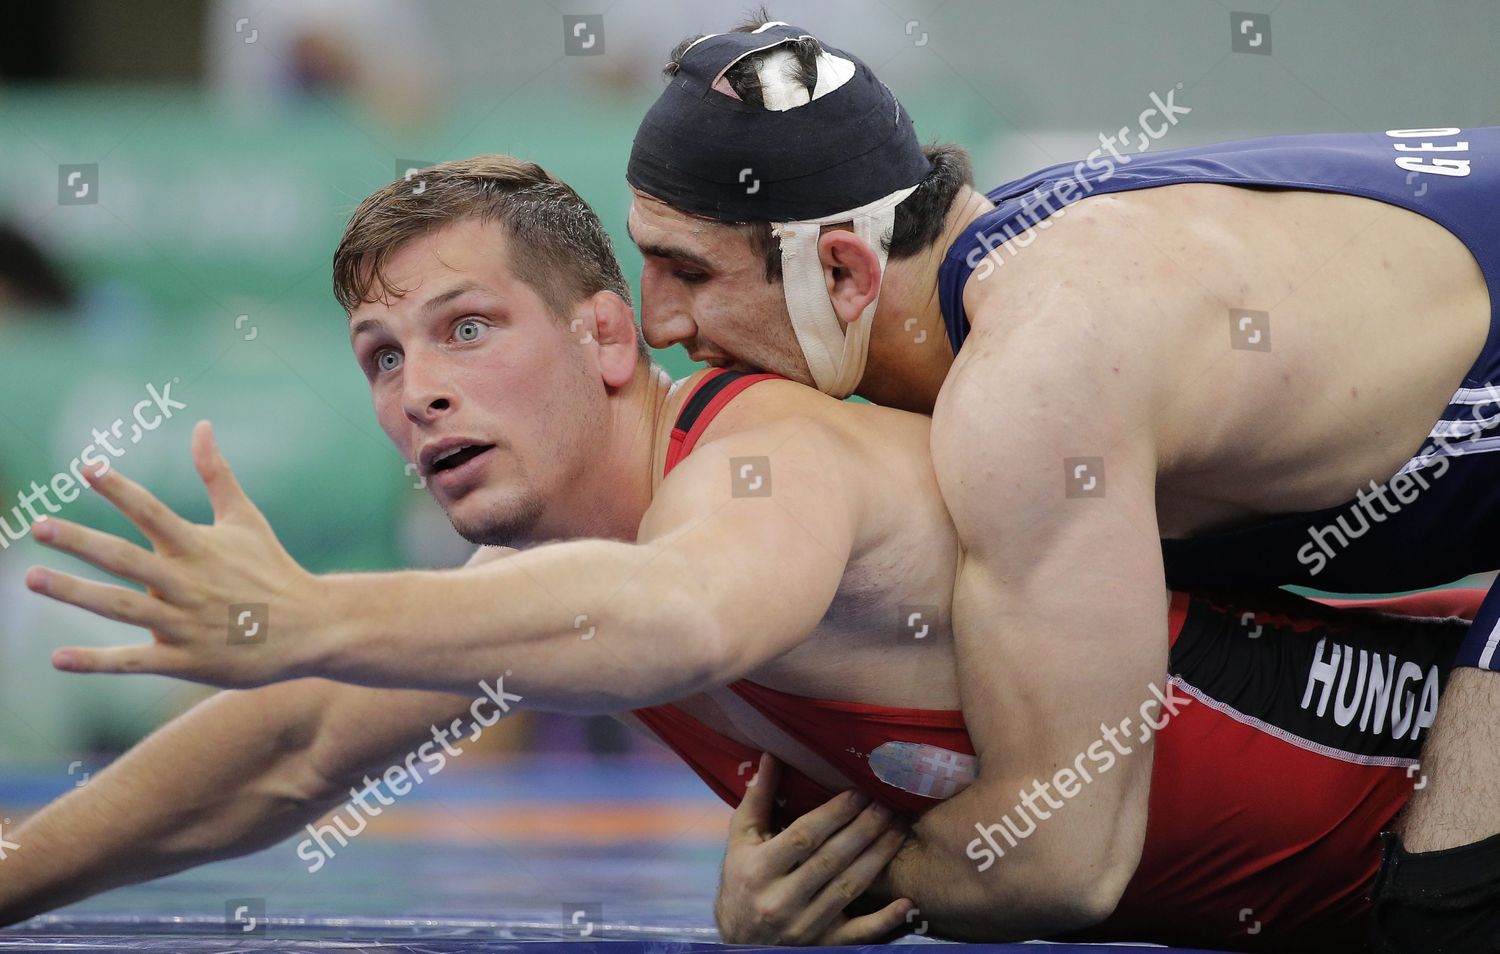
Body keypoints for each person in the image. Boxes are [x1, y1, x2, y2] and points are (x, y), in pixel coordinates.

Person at [4, 156, 1483, 951]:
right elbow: (291, 750)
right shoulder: (557, 586)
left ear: (602, 337)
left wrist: (309, 610)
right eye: (381, 357)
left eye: (466, 328)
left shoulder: (772, 455)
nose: (420, 389)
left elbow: (690, 614)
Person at [623, 16, 1500, 951]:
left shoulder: (1036, 380)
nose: (659, 322)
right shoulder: (1011, 285)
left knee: (1448, 908)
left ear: (842, 269)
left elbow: (1063, 864)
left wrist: (833, 885)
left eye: (687, 272)